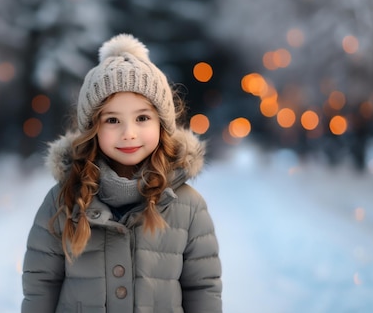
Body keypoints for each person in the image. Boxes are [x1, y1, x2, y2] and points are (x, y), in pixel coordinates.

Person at [21, 33, 222, 313]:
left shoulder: (188, 207)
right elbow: (40, 284)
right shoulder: (63, 200)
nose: (128, 133)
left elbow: (203, 288)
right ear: (93, 128)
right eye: (112, 120)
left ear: (162, 124)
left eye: (142, 118)